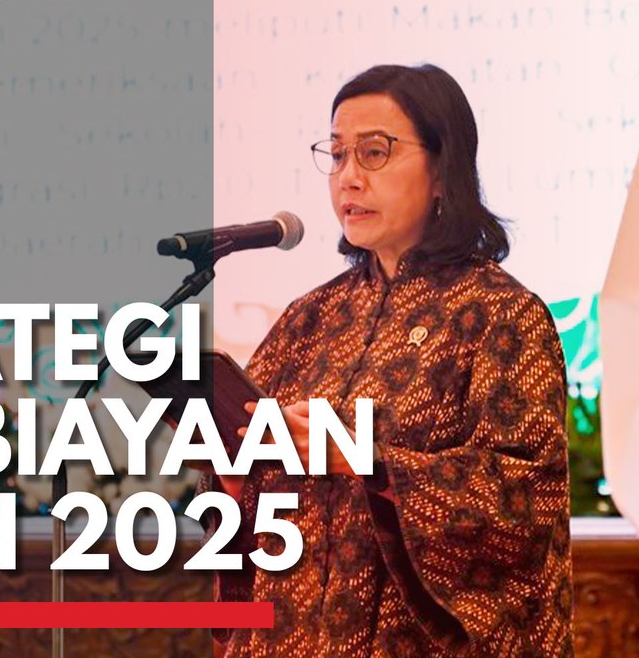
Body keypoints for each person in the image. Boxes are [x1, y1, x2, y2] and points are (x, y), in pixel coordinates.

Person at [204, 64, 573, 657]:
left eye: (374, 152)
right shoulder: (309, 318)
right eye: (337, 154)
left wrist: (368, 460)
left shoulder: (502, 315)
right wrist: (236, 473)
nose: (349, 178)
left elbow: (527, 500)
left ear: (442, 172)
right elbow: (249, 508)